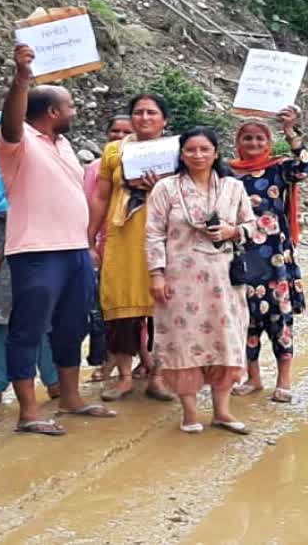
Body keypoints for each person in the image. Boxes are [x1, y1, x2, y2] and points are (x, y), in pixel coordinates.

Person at [0, 44, 116, 436]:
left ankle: (70, 397)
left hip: (74, 250)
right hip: (36, 252)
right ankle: (28, 411)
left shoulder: (62, 144)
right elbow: (12, 122)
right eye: (70, 106)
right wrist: (22, 78)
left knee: (71, 325)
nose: (74, 112)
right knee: (28, 329)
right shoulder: (17, 142)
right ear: (51, 112)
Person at [146, 127, 258, 434]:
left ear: (216, 153)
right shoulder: (166, 189)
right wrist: (156, 273)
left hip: (222, 279)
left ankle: (222, 411)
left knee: (224, 339)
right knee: (184, 341)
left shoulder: (233, 187)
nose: (198, 156)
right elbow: (154, 233)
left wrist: (231, 231)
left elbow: (253, 226)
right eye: (191, 150)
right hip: (179, 279)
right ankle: (190, 413)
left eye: (204, 150)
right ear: (181, 154)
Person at [0, 112, 60, 407]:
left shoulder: (35, 162)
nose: (3, 137)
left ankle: (54, 380)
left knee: (43, 315)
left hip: (38, 244)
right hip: (0, 248)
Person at [88, 95, 175, 402]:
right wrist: (90, 236)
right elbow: (101, 196)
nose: (144, 117)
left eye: (152, 112)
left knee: (166, 309)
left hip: (167, 239)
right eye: (138, 112)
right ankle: (124, 377)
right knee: (120, 307)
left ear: (164, 120)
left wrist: (160, 186)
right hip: (123, 238)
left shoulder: (178, 151)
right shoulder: (115, 151)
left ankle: (159, 377)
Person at [228, 107, 308, 403]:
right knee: (246, 317)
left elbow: (306, 167)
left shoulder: (280, 168)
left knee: (279, 317)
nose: (253, 144)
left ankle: (284, 379)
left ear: (268, 142)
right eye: (248, 138)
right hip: (240, 252)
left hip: (276, 255)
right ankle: (253, 378)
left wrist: (291, 132)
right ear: (238, 142)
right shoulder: (227, 172)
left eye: (259, 139)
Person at [83, 115, 134, 382]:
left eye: (126, 131)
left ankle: (144, 361)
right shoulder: (95, 168)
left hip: (137, 239)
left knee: (142, 306)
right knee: (107, 306)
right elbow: (92, 203)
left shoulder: (153, 161)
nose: (120, 135)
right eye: (115, 130)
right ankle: (107, 361)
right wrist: (90, 241)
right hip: (107, 242)